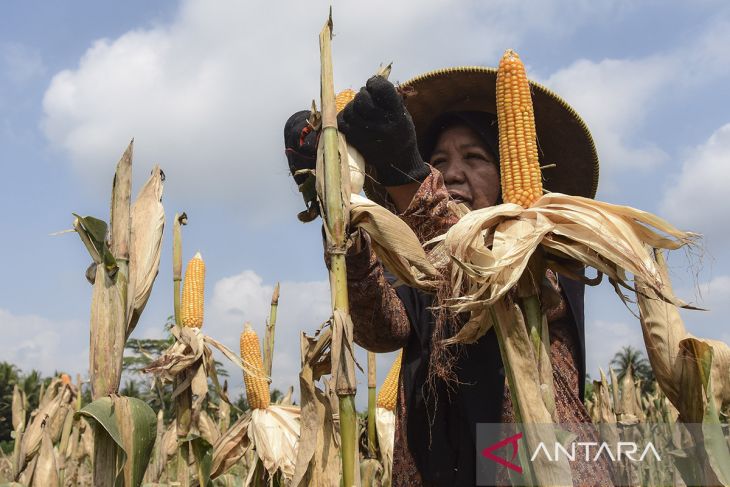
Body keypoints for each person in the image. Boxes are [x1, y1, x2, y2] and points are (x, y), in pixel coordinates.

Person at [285, 68, 611, 486]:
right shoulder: (421, 264)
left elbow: (489, 277)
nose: (452, 174)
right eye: (437, 162)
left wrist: (409, 178)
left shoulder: (547, 248)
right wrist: (342, 217)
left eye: (474, 158)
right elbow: (383, 330)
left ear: (508, 173)